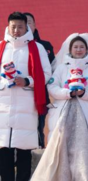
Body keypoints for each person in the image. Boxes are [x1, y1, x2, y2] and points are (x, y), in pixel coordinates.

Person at [33, 33, 88, 180]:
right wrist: (67, 92)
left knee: (85, 148)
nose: (78, 50)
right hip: (64, 114)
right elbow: (52, 87)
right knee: (61, 147)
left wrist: (84, 93)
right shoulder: (62, 68)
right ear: (70, 49)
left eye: (81, 47)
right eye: (75, 47)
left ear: (87, 49)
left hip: (87, 115)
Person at [0, 12, 52, 181]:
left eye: (20, 27)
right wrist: (4, 82)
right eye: (13, 26)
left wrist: (27, 80)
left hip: (26, 106)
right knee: (3, 153)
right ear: (8, 27)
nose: (16, 30)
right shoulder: (1, 47)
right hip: (3, 107)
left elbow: (45, 74)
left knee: (24, 153)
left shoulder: (36, 48)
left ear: (26, 27)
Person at [24, 12, 55, 148]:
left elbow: (52, 70)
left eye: (29, 22)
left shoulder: (44, 46)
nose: (26, 26)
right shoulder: (13, 48)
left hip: (41, 95)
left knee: (40, 126)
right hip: (21, 96)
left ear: (35, 25)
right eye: (22, 23)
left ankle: (40, 151)